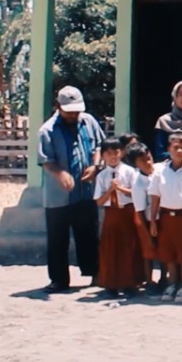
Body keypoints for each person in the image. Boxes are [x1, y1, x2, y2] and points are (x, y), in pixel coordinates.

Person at [38, 86, 106, 293]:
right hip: (58, 196)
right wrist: (61, 174)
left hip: (86, 191)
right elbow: (45, 160)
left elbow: (100, 146)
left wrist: (95, 166)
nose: (74, 115)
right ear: (59, 107)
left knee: (89, 234)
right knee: (58, 238)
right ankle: (59, 280)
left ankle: (95, 274)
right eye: (70, 112)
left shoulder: (89, 122)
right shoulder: (47, 130)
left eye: (77, 111)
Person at [147, 132, 182, 303]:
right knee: (169, 253)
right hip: (166, 217)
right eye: (175, 147)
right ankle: (172, 283)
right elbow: (155, 196)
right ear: (168, 149)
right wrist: (153, 220)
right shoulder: (159, 171)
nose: (179, 150)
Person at [93, 137, 141, 297]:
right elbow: (99, 201)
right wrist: (110, 191)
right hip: (111, 213)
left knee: (128, 247)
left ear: (122, 152)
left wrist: (120, 188)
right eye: (108, 153)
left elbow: (136, 194)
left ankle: (129, 283)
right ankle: (110, 284)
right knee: (109, 248)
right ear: (103, 156)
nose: (113, 156)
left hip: (127, 211)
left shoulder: (129, 171)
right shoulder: (102, 176)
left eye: (116, 152)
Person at [125, 142, 158, 289]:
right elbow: (139, 211)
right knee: (148, 251)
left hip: (162, 217)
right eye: (143, 161)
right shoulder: (138, 184)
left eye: (149, 157)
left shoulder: (160, 172)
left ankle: (164, 279)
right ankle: (149, 281)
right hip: (146, 220)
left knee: (164, 251)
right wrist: (147, 232)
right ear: (136, 164)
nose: (148, 162)